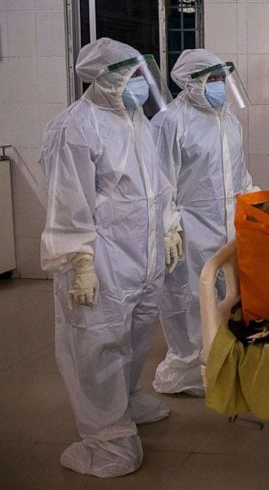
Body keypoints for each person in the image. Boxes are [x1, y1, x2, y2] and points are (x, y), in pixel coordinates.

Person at [39, 38, 180, 477]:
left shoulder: (136, 119)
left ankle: (127, 398)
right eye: (131, 75)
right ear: (103, 78)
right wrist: (79, 262)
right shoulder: (75, 127)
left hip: (143, 255)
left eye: (143, 74)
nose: (140, 84)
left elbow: (157, 185)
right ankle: (104, 436)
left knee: (137, 332)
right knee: (98, 342)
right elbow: (67, 202)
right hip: (100, 262)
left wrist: (170, 226)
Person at [151, 49, 255, 397]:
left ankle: (222, 357)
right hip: (190, 226)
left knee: (228, 294)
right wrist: (168, 227)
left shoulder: (228, 119)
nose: (219, 86)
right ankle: (188, 366)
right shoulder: (171, 122)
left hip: (228, 221)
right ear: (190, 83)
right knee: (190, 295)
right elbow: (160, 182)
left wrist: (253, 202)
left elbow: (238, 173)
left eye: (221, 79)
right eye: (210, 80)